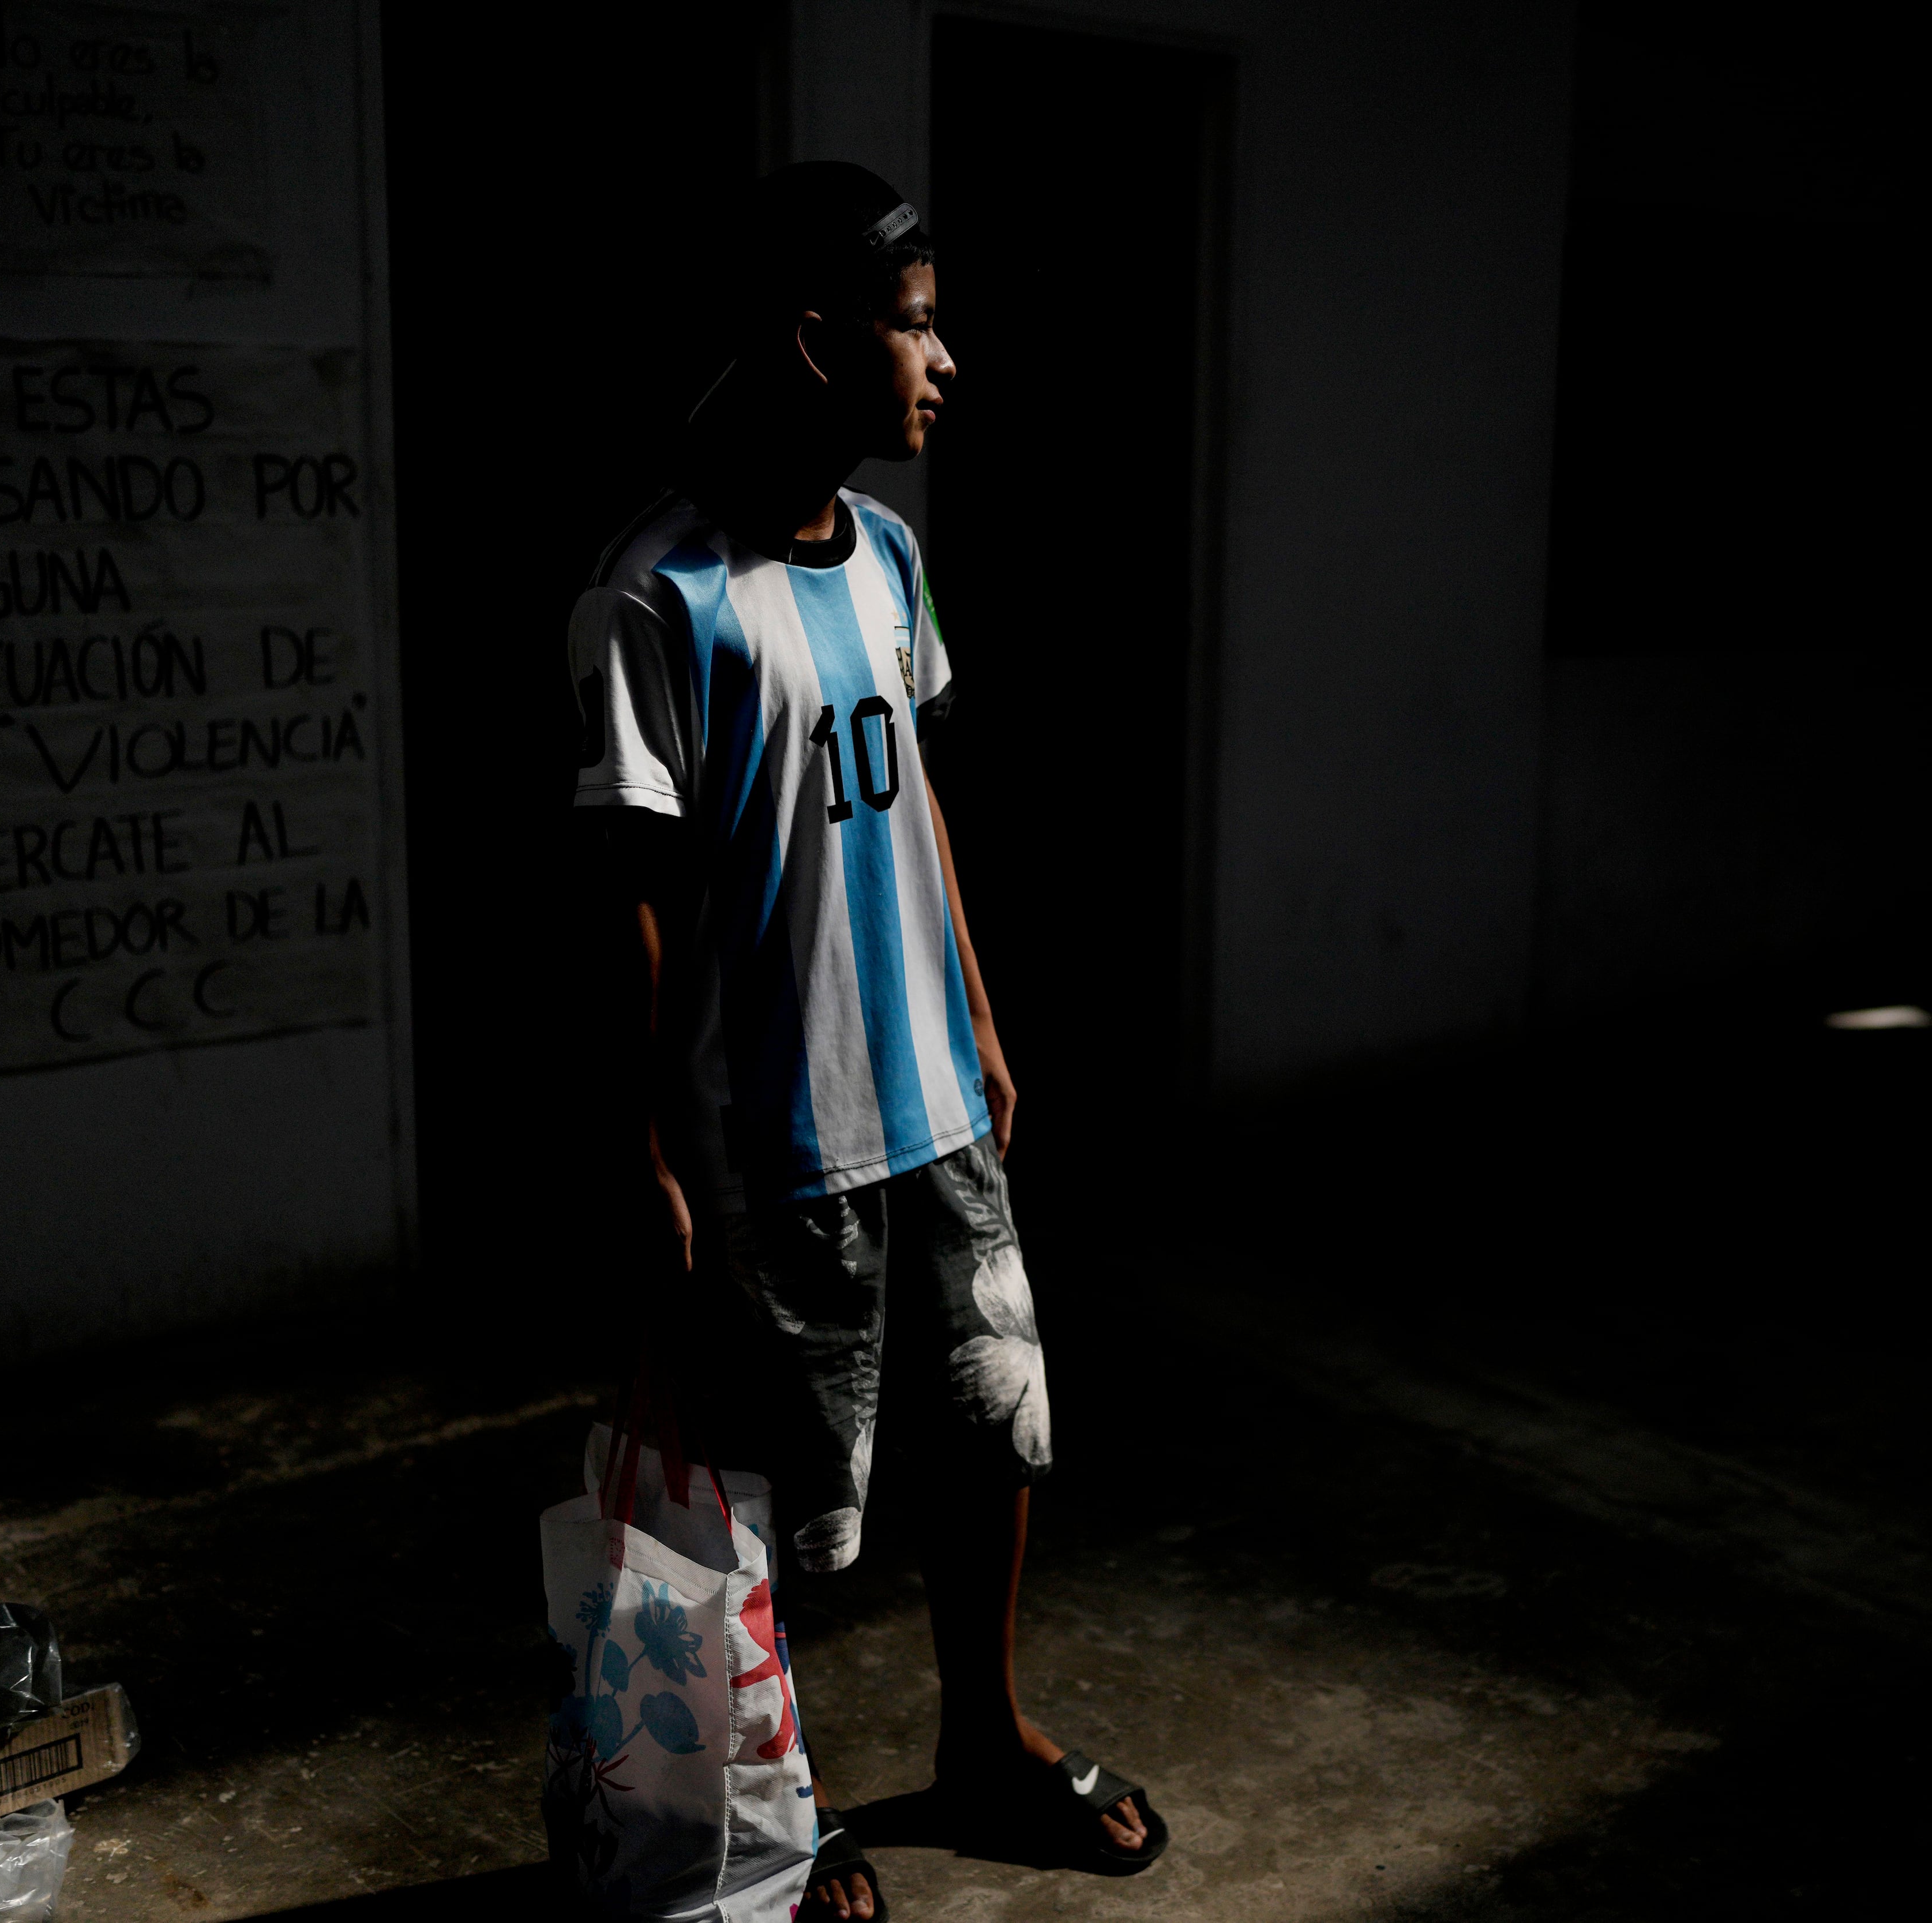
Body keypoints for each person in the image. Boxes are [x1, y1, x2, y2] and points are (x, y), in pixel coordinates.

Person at [568, 162, 1169, 1920]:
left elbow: (913, 809)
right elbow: (633, 891)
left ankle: (983, 1740)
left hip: (933, 1112)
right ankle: (775, 1812)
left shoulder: (893, 556)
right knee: (769, 1503)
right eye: (916, 328)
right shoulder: (656, 592)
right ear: (818, 343)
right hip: (774, 1134)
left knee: (989, 1434)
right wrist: (656, 1143)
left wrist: (974, 1010)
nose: (946, 363)